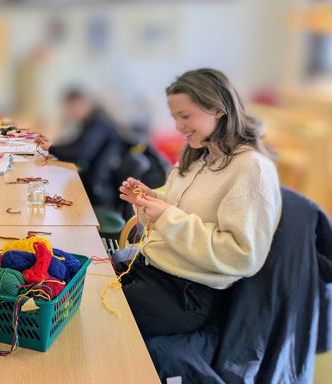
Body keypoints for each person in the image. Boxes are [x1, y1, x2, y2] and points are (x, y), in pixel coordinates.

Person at [115, 68, 282, 338]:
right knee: (86, 279)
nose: (178, 126)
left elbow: (242, 255)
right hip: (153, 268)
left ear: (217, 109)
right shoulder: (198, 156)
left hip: (187, 295)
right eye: (175, 117)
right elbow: (177, 208)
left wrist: (165, 215)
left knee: (98, 317)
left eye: (185, 116)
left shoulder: (251, 169)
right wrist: (150, 200)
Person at [35, 88, 123, 206]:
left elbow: (80, 153)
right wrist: (52, 146)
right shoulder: (92, 120)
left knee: (51, 186)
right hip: (94, 180)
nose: (70, 112)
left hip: (98, 190)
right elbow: (76, 145)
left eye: (73, 107)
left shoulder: (98, 124)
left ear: (85, 104)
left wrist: (52, 148)